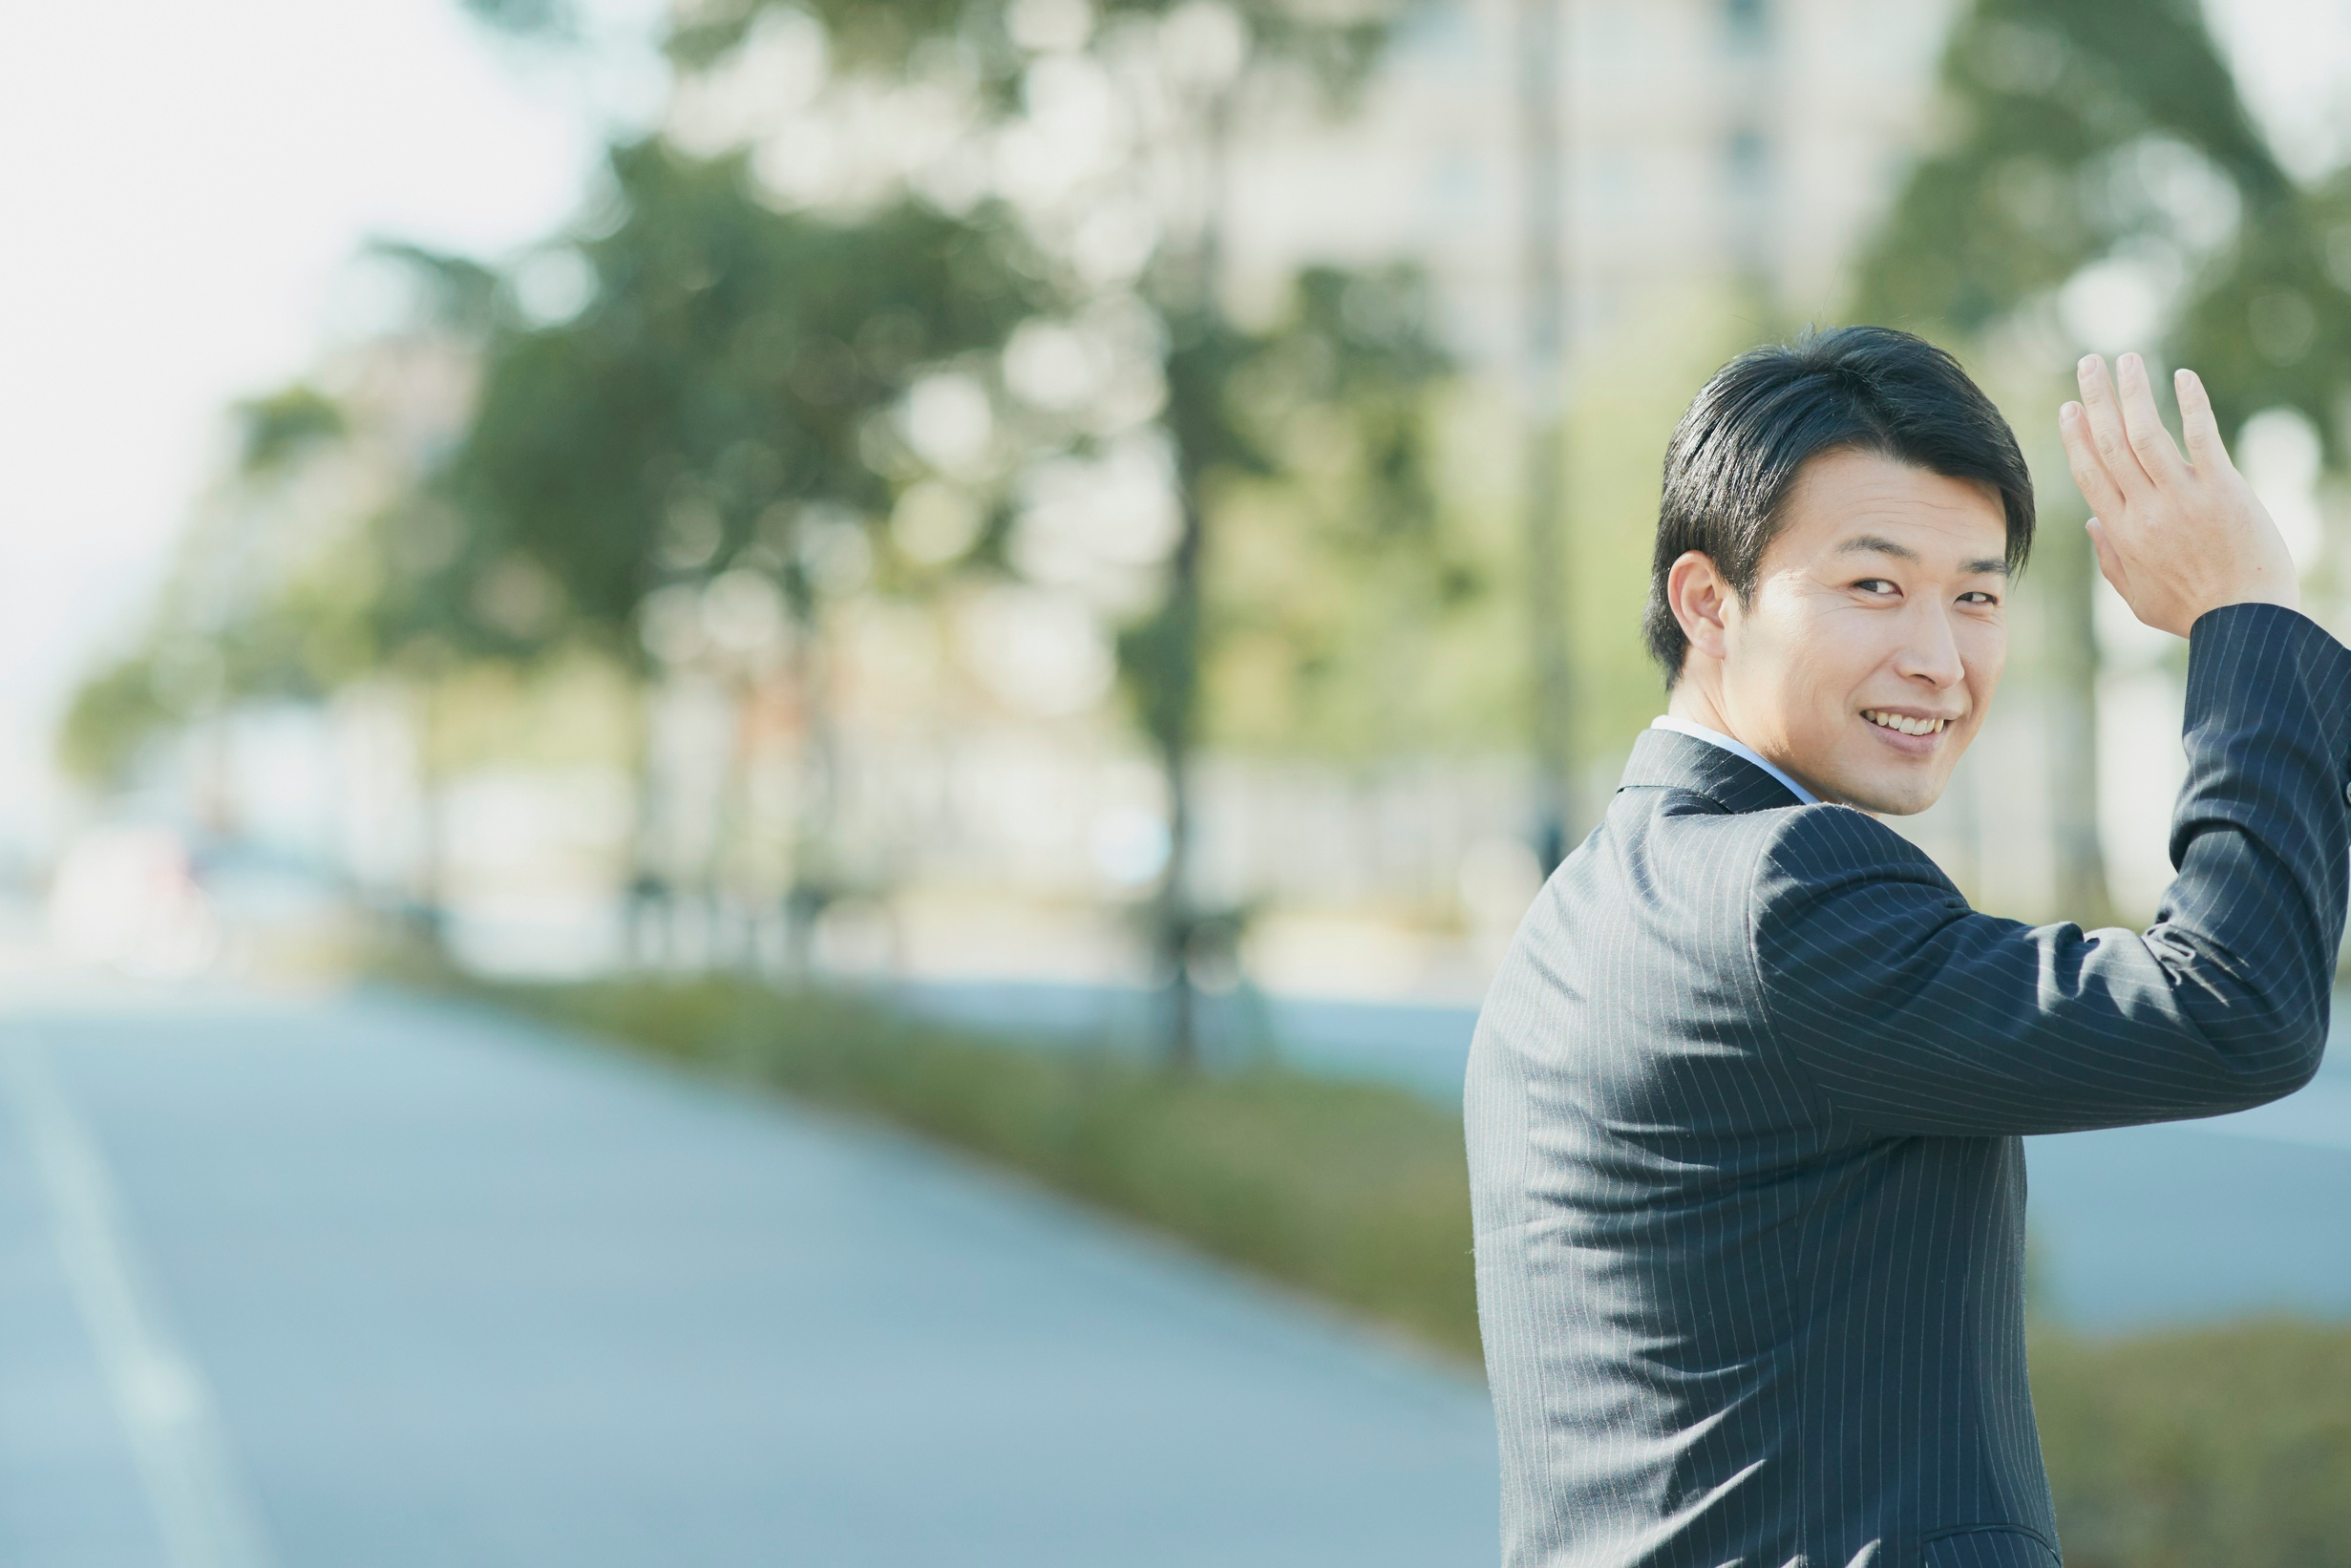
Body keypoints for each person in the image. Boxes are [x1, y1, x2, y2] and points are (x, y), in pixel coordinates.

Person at [1465, 326, 2343, 1568]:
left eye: (1975, 595)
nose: (1935, 659)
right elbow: (2233, 1006)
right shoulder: (1782, 887)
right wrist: (2245, 616)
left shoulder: (1588, 905)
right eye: (1873, 586)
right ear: (1707, 601)